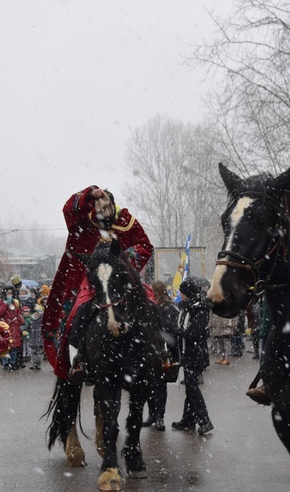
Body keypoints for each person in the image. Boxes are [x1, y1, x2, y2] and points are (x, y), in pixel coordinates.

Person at [41, 185, 154, 381]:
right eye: (98, 208)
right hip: (92, 280)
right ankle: (76, 360)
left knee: (151, 302)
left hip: (122, 278)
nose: (103, 213)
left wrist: (123, 260)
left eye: (106, 207)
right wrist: (88, 194)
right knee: (77, 310)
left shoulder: (127, 222)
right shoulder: (85, 220)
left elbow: (145, 246)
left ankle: (164, 355)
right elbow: (69, 210)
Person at [172, 277, 214, 435]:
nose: (180, 296)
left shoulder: (200, 308)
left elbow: (195, 333)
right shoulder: (188, 307)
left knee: (192, 388)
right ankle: (188, 420)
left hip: (196, 354)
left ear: (188, 293)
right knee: (190, 389)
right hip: (188, 353)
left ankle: (205, 420)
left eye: (182, 293)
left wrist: (177, 331)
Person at [143, 280, 180, 431]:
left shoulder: (168, 307)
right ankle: (152, 414)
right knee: (148, 386)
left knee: (159, 386)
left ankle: (159, 417)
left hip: (162, 352)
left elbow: (169, 329)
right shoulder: (151, 305)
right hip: (150, 351)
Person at [0, 284, 23, 371]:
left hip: (14, 326)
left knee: (14, 347)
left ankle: (13, 363)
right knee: (5, 347)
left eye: (11, 293)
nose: (9, 294)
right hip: (5, 326)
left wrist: (22, 323)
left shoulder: (15, 302)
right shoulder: (0, 301)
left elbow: (18, 313)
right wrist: (6, 304)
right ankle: (5, 363)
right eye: (8, 293)